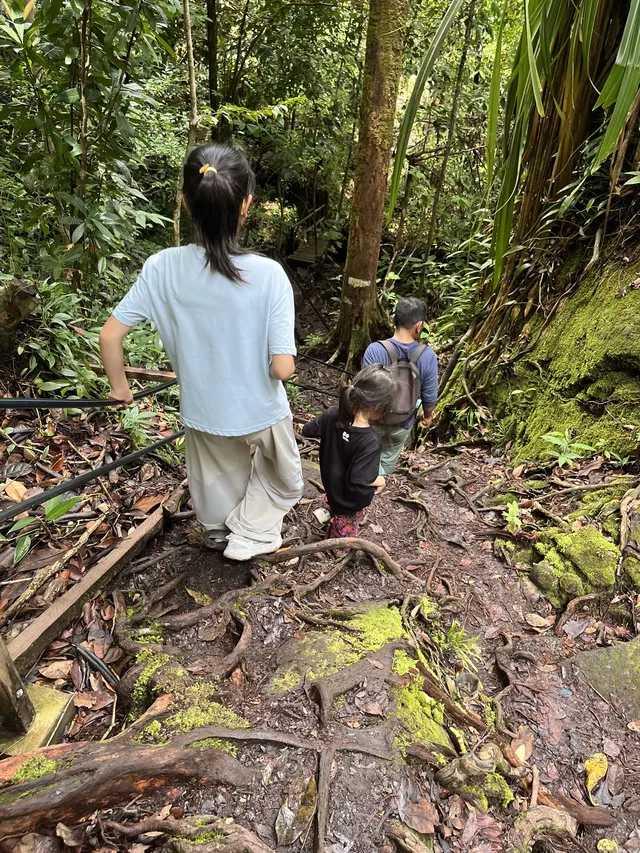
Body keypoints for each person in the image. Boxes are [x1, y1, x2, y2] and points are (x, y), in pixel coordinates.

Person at [99, 143, 304, 562]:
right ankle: (250, 532)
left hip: (204, 409)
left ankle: (217, 532)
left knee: (217, 476)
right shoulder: (269, 275)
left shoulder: (161, 267)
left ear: (185, 203)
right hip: (261, 409)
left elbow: (110, 335)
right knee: (287, 479)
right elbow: (282, 368)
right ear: (246, 205)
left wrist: (120, 388)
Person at [301, 365, 397, 539]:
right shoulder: (370, 441)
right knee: (343, 534)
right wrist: (381, 480)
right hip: (350, 502)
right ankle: (335, 552)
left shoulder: (331, 414)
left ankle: (329, 511)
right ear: (380, 406)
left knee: (333, 505)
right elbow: (361, 477)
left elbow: (307, 430)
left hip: (332, 488)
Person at [362, 297, 438, 475]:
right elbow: (429, 394)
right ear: (419, 326)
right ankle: (378, 483)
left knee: (366, 455)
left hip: (373, 419)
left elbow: (365, 388)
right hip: (402, 422)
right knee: (387, 457)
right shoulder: (427, 356)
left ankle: (363, 481)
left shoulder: (375, 349)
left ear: (393, 319)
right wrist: (427, 417)